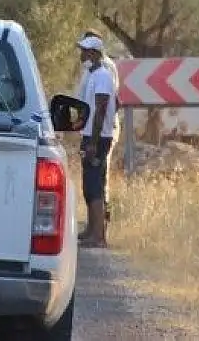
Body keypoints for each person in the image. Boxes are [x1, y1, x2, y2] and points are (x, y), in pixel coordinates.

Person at [73, 29, 120, 242]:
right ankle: (92, 230)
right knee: (89, 186)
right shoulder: (93, 75)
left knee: (96, 186)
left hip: (98, 137)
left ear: (92, 53)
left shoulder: (103, 76)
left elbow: (101, 109)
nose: (81, 55)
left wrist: (93, 141)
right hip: (91, 134)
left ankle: (98, 235)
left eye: (84, 51)